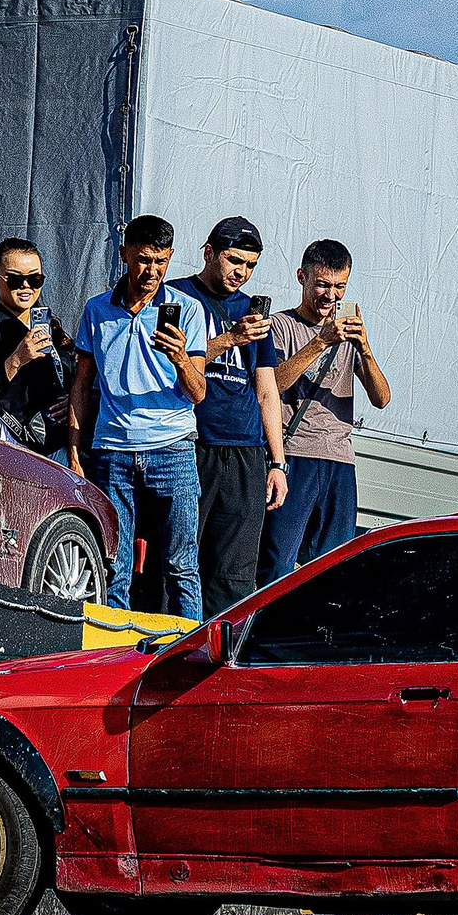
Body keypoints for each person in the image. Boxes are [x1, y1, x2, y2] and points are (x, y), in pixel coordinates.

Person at [68, 215, 206, 617]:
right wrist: (76, 452)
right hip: (112, 449)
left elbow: (198, 393)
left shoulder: (187, 311)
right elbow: (81, 386)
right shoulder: (97, 309)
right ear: (125, 253)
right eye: (144, 259)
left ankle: (190, 656)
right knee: (115, 565)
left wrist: (180, 356)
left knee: (182, 565)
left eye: (162, 261)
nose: (152, 271)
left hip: (173, 447)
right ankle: (114, 655)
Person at [168, 217, 291, 617]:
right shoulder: (178, 296)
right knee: (180, 558)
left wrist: (277, 461)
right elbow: (173, 364)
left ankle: (222, 649)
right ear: (209, 253)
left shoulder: (254, 314)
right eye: (234, 260)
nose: (242, 272)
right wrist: (229, 339)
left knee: (235, 570)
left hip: (246, 450)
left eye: (251, 265)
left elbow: (267, 390)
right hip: (192, 443)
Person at [262, 238, 391, 582]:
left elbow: (381, 398)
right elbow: (272, 384)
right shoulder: (280, 326)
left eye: (339, 287)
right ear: (302, 276)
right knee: (277, 563)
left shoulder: (349, 335)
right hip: (294, 454)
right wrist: (321, 342)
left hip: (339, 460)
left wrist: (364, 347)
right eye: (321, 284)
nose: (330, 296)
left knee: (334, 569)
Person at [0, 238, 73, 456]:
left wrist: (72, 401)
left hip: (54, 442)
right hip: (8, 438)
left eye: (35, 278)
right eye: (14, 279)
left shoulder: (46, 323)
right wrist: (16, 360)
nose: (26, 286)